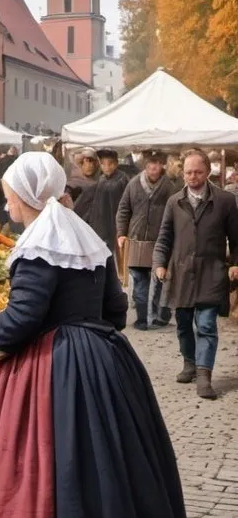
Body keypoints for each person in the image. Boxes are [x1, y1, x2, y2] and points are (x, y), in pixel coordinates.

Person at [0, 152, 186, 518]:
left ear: (26, 196)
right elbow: (115, 309)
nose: (7, 208)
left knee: (40, 470)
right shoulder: (87, 239)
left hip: (50, 367)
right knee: (83, 471)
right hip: (98, 359)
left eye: (9, 198)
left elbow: (25, 315)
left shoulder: (38, 243)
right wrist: (90, 340)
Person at [153, 149, 238, 400]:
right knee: (183, 324)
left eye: (198, 172)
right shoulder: (174, 201)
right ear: (183, 173)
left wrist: (235, 262)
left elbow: (236, 238)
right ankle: (190, 362)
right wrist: (160, 263)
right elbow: (164, 236)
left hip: (212, 272)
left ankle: (204, 375)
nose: (193, 176)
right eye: (188, 172)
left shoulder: (224, 201)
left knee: (206, 325)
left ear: (208, 172)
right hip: (180, 273)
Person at [116, 150, 176, 330]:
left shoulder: (168, 187)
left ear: (162, 165)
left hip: (160, 241)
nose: (153, 167)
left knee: (159, 280)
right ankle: (142, 318)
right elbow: (124, 209)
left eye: (157, 163)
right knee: (140, 281)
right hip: (137, 241)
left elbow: (174, 213)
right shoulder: (134, 184)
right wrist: (121, 233)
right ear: (145, 165)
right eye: (150, 163)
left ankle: (160, 315)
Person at [85, 149, 129, 252]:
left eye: (110, 164)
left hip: (114, 224)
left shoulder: (122, 179)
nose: (107, 167)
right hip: (100, 225)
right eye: (103, 164)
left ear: (116, 164)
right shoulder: (101, 179)